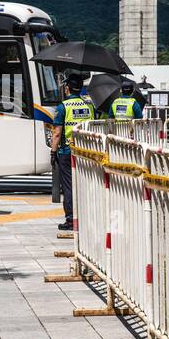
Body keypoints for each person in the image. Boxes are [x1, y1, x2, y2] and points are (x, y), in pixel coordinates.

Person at [51, 73, 94, 231]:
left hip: (67, 151)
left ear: (67, 88)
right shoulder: (89, 106)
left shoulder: (63, 107)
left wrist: (53, 152)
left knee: (68, 186)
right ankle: (86, 217)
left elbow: (57, 133)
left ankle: (71, 219)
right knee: (85, 184)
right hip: (86, 151)